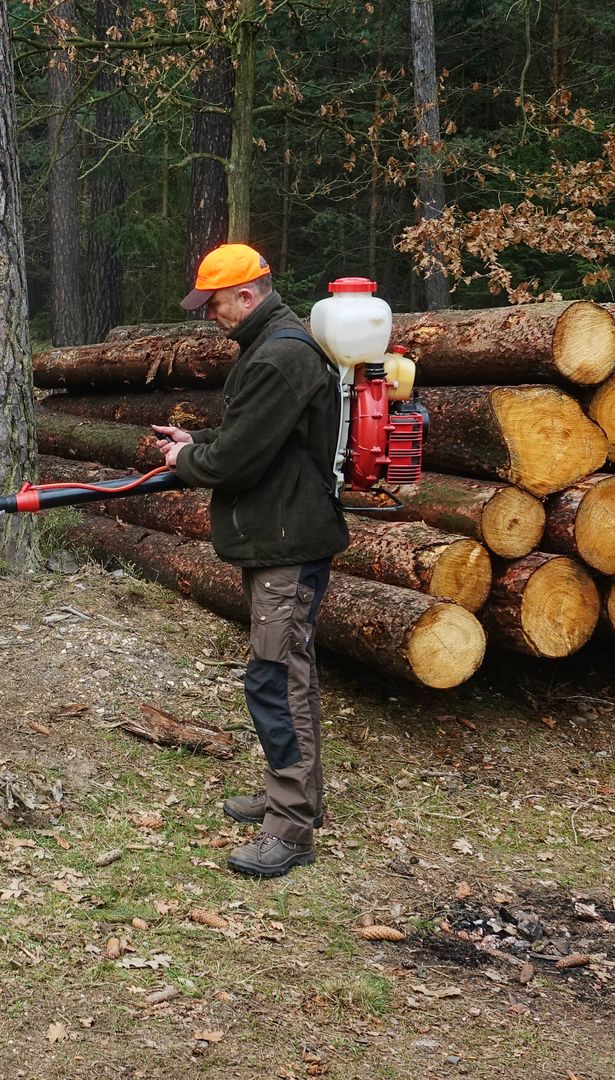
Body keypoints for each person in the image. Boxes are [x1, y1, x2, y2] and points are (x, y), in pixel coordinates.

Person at [153, 243, 349, 878]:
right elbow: (255, 438)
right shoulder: (271, 348)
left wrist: (189, 461)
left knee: (276, 679)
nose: (209, 314)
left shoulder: (282, 355)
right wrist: (197, 442)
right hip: (278, 535)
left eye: (214, 303)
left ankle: (290, 828)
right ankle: (292, 796)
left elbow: (237, 461)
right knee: (285, 672)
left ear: (247, 294)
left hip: (287, 545)